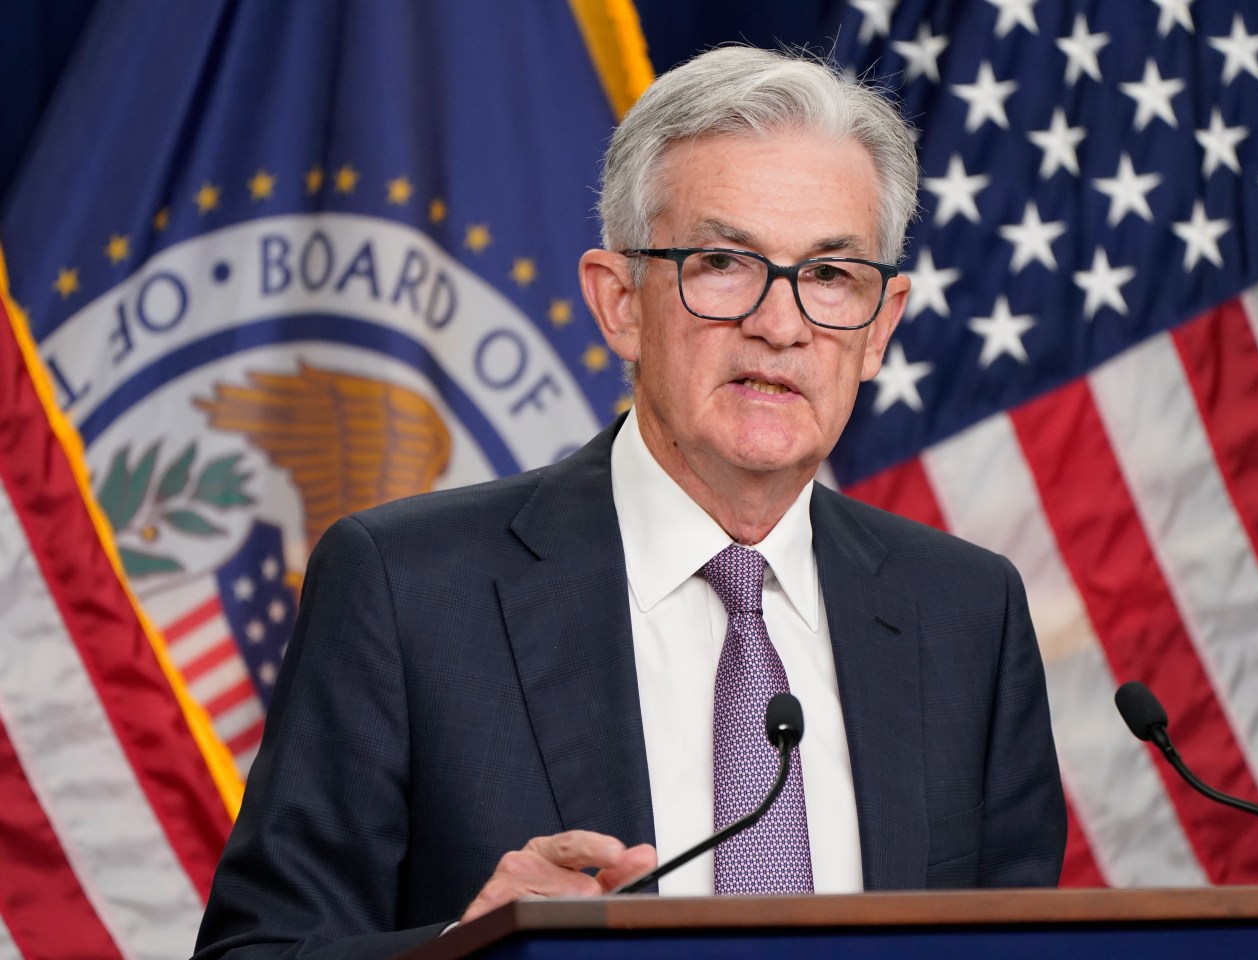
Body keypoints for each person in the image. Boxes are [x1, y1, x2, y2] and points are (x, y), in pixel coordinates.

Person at [194, 46, 1065, 960]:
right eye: (725, 262)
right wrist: (471, 948)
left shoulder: (966, 613)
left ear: (881, 327)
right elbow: (252, 953)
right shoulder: (407, 590)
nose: (782, 323)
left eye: (831, 276)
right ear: (620, 304)